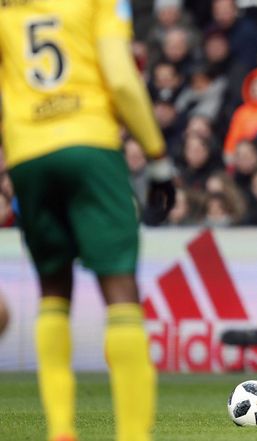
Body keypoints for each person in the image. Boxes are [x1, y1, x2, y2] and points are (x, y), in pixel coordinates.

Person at [0, 1, 175, 440]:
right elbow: (122, 79)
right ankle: (132, 435)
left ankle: (61, 430)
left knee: (53, 291)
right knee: (120, 289)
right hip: (91, 144)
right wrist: (156, 156)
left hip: (28, 153)